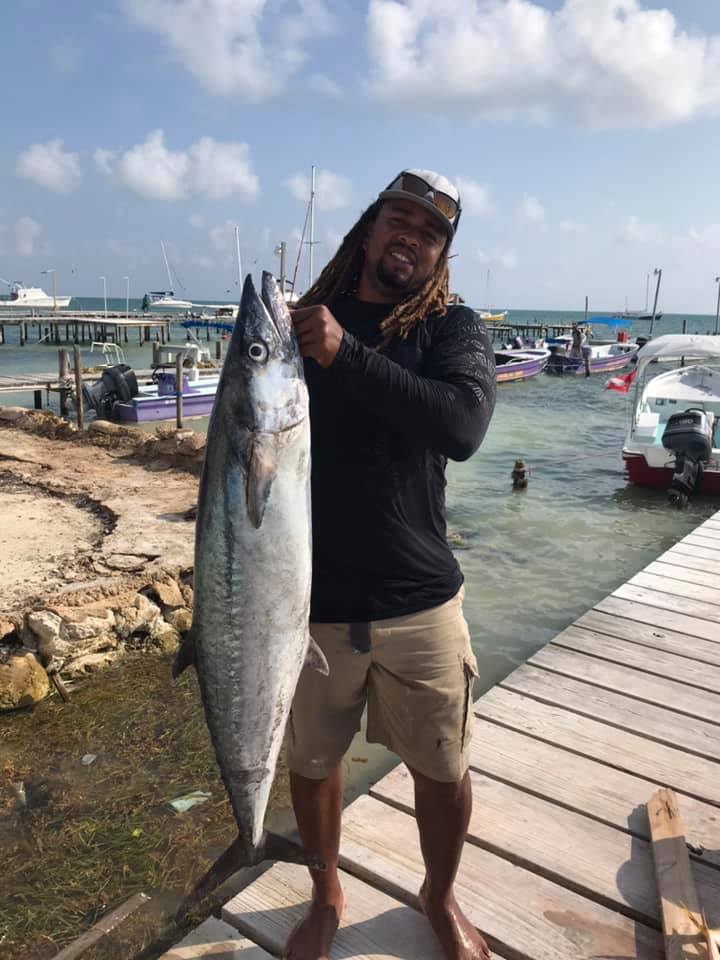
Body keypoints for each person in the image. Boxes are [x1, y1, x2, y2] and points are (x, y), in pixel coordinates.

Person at [286, 169, 497, 960]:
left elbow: (463, 425)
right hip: (311, 602)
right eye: (398, 220)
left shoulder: (451, 330)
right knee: (312, 763)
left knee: (443, 771)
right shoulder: (303, 324)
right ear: (369, 230)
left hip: (421, 600)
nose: (411, 236)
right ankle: (327, 891)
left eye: (430, 231)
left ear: (441, 254)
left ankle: (437, 897)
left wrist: (347, 355)